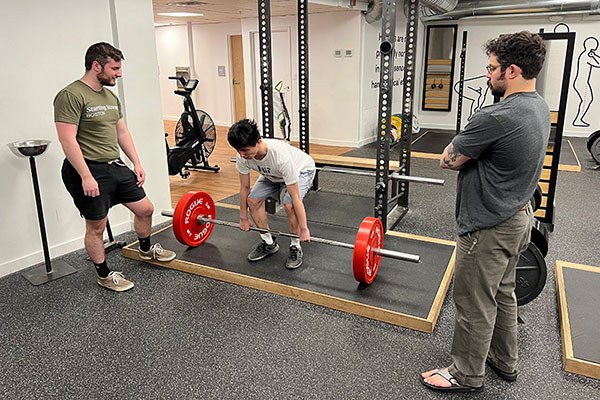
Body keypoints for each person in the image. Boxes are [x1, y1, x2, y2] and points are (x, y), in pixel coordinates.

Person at [420, 31, 550, 393]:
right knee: (502, 293)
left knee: (473, 302)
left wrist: (461, 148)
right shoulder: (539, 106)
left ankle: (466, 373)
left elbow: (448, 159)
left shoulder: (497, 115)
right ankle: (504, 360)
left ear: (511, 70)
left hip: (488, 226)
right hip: (518, 218)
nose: (488, 74)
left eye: (492, 68)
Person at [54, 42, 176, 292]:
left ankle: (144, 250)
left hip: (114, 165)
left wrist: (136, 162)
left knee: (145, 208)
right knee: (97, 225)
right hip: (87, 169)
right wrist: (86, 176)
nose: (119, 74)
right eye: (115, 68)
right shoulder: (71, 95)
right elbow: (67, 139)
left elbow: (121, 131)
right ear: (96, 65)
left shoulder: (109, 96)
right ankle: (104, 274)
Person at [228, 119, 316, 269]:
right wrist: (243, 217)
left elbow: (295, 199)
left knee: (289, 206)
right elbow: (244, 188)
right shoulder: (242, 156)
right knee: (253, 201)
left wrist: (304, 229)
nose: (242, 155)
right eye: (238, 150)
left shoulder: (280, 157)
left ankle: (295, 246)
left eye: (245, 150)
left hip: (301, 170)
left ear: (258, 141)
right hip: (272, 174)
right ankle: (269, 243)